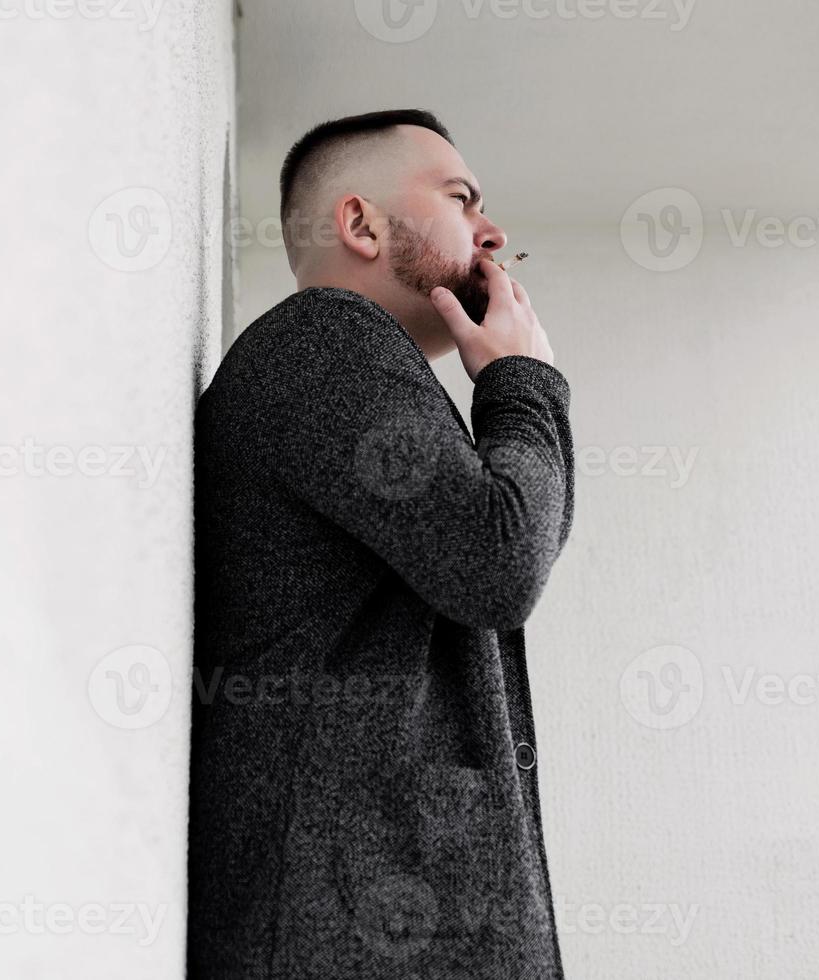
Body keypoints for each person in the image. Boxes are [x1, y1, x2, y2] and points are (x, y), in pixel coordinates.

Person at [187, 109, 575, 979]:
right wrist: (525, 385)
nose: (493, 230)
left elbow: (502, 546)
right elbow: (499, 559)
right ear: (360, 223)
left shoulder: (348, 374)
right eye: (460, 197)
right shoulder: (324, 338)